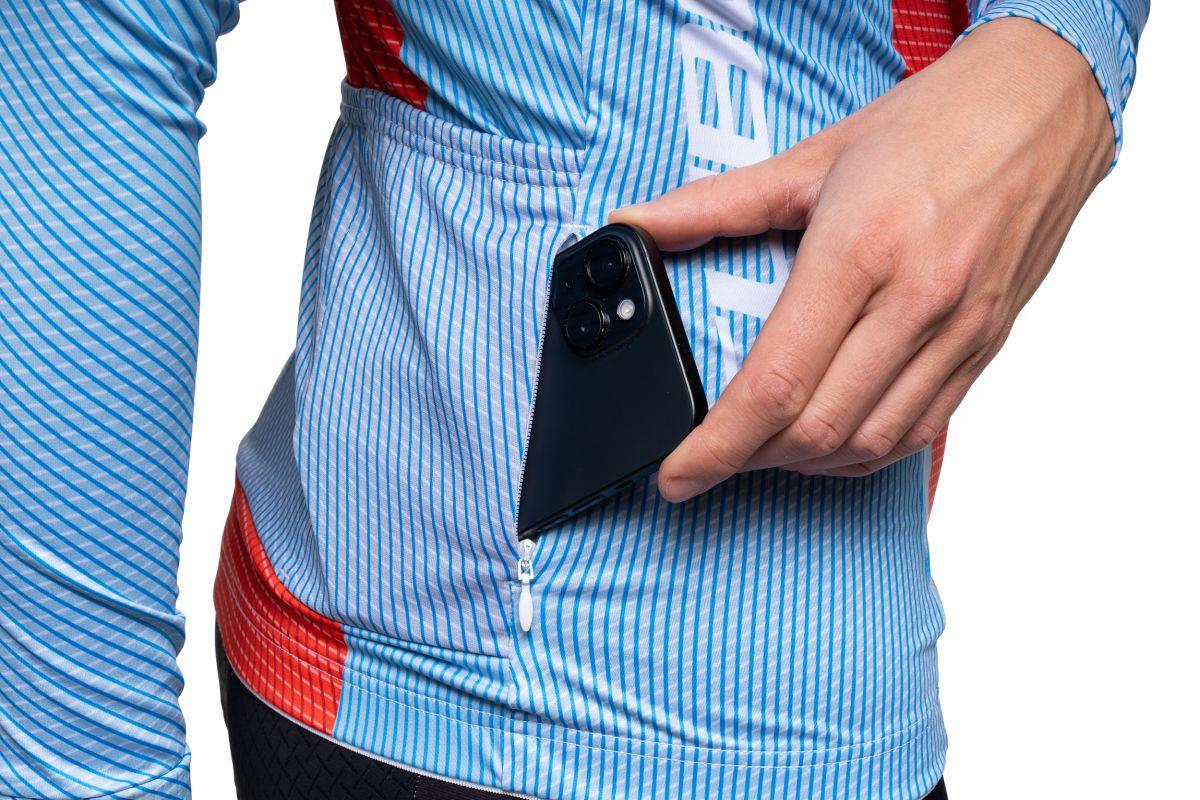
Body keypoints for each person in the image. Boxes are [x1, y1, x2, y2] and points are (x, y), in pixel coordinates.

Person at [0, 0, 1149, 798]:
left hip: (863, 695)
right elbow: (96, 29)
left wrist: (1061, 54)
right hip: (453, 693)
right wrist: (86, 772)